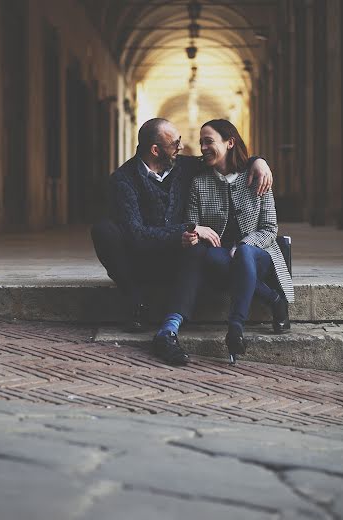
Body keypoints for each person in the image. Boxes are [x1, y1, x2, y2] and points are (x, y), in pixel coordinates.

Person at [91, 118, 273, 336]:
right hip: (139, 262)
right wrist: (186, 230)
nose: (181, 147)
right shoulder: (123, 180)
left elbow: (223, 155)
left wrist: (258, 161)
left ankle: (173, 321)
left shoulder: (183, 166)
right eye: (175, 144)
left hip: (178, 258)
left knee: (200, 249)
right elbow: (136, 236)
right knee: (103, 230)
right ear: (156, 150)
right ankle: (135, 300)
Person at [152, 119, 294, 366]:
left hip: (259, 252)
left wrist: (244, 245)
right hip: (220, 255)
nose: (203, 147)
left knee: (244, 253)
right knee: (210, 257)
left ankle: (235, 325)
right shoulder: (199, 182)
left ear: (230, 143)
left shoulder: (258, 176)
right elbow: (192, 222)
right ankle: (273, 300)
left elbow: (270, 229)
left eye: (209, 141)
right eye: (201, 143)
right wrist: (194, 233)